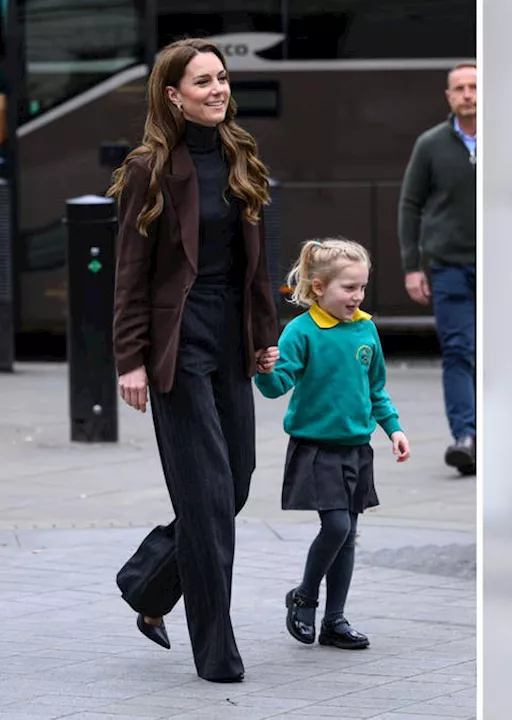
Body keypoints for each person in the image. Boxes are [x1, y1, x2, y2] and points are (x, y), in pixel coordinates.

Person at [109, 38, 279, 683]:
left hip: (229, 336)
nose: (218, 89)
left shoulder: (242, 157)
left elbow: (256, 266)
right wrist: (130, 359)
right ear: (173, 95)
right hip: (175, 347)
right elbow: (129, 275)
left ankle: (148, 582)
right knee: (206, 501)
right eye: (203, 81)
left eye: (222, 78)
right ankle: (217, 652)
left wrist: (265, 335)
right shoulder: (150, 169)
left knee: (233, 483)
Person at [255, 238, 411, 651]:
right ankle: (305, 595)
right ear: (320, 288)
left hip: (357, 448)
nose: (357, 296)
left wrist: (393, 429)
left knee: (349, 533)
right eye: (348, 288)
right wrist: (264, 369)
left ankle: (334, 620)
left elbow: (375, 387)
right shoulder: (301, 331)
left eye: (362, 287)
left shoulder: (366, 328)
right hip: (316, 447)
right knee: (337, 526)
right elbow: (276, 386)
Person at [397, 61, 477, 476]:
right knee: (459, 350)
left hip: (500, 265)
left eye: (474, 87)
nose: (467, 94)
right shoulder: (430, 145)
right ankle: (465, 436)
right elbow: (410, 204)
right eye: (459, 88)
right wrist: (413, 266)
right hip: (450, 266)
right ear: (448, 96)